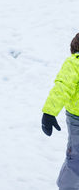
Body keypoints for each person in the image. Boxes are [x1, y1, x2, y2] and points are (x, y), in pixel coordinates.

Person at [41, 33, 79, 189]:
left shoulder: (74, 61)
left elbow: (62, 87)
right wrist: (50, 111)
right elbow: (63, 87)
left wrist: (49, 112)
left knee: (76, 158)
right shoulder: (75, 63)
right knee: (76, 158)